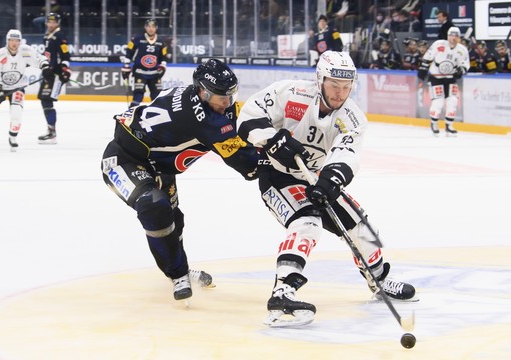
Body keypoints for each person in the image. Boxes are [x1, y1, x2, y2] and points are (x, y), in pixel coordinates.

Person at [236, 51, 417, 327]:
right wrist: (273, 140)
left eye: (346, 87)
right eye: (334, 85)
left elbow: (347, 154)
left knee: (361, 226)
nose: (340, 93)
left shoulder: (353, 117)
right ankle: (282, 293)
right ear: (319, 79)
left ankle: (378, 279)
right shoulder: (291, 93)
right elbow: (248, 116)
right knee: (307, 222)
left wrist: (331, 180)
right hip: (277, 176)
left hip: (315, 176)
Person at [101, 59, 259, 301]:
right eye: (220, 97)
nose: (227, 103)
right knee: (154, 206)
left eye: (231, 95)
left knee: (175, 217)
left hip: (157, 163)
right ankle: (178, 273)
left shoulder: (199, 98)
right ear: (203, 92)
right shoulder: (207, 122)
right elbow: (249, 166)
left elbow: (238, 120)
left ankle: (179, 266)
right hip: (123, 161)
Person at [0, 29, 51, 151]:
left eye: (17, 40)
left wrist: (45, 66)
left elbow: (38, 59)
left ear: (20, 41)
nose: (14, 43)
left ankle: (13, 138)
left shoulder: (25, 51)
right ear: (7, 41)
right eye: (12, 40)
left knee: (16, 113)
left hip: (17, 87)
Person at [418, 27, 469, 136]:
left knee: (453, 101)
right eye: (451, 35)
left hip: (450, 78)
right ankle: (434, 123)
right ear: (447, 36)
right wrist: (423, 68)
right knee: (438, 102)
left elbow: (465, 63)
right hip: (436, 77)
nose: (453, 38)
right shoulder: (438, 44)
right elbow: (428, 57)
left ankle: (449, 125)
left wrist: (461, 70)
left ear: (459, 37)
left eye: (456, 36)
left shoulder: (462, 50)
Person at [37, 12, 71, 144]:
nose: (51, 24)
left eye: (54, 22)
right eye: (49, 22)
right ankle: (51, 131)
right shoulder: (47, 36)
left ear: (58, 23)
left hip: (56, 76)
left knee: (47, 99)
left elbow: (65, 56)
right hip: (48, 74)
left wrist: (64, 70)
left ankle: (52, 133)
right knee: (44, 100)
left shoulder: (60, 36)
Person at [122, 19, 168, 108]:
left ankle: (157, 116)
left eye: (153, 27)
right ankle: (131, 115)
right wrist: (126, 67)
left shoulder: (161, 42)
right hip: (140, 72)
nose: (151, 29)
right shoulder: (137, 39)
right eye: (149, 26)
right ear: (145, 27)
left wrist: (163, 66)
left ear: (156, 28)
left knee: (157, 97)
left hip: (155, 74)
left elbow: (164, 57)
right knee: (138, 95)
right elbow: (129, 53)